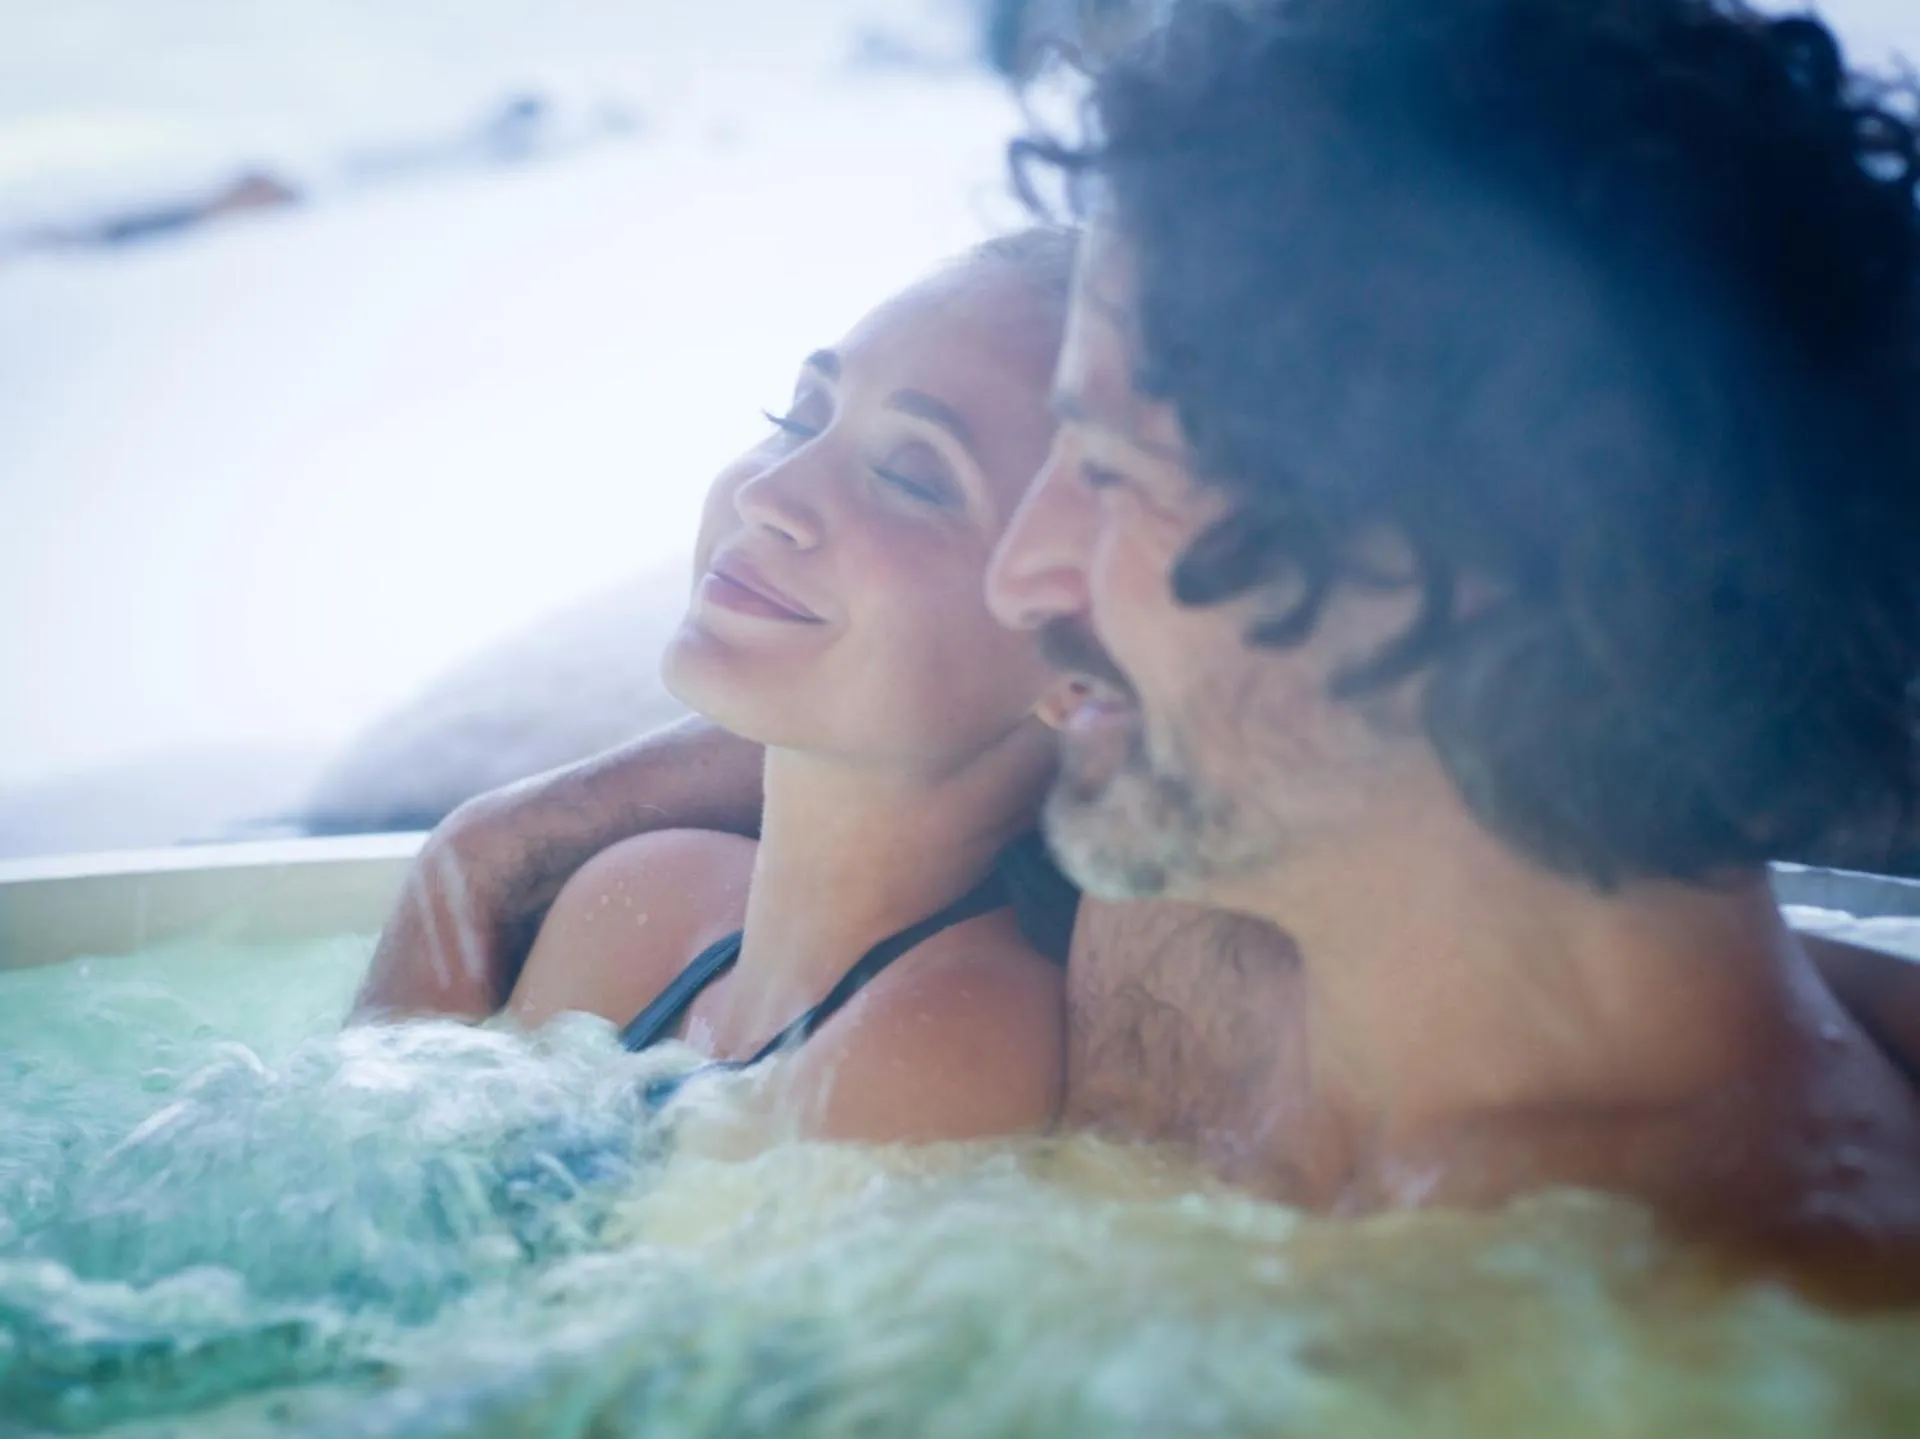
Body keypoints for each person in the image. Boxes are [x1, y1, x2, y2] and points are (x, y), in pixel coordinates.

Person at [358, 0, 1920, 1284]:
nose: (1035, 575)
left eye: (1106, 472)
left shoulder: (1749, 1320)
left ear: (1451, 568)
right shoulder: (1193, 929)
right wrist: (526, 828)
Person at [496, 229, 1083, 1145]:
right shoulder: (640, 901)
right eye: (802, 416)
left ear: (1088, 662)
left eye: (911, 477)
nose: (771, 490)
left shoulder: (946, 1048)